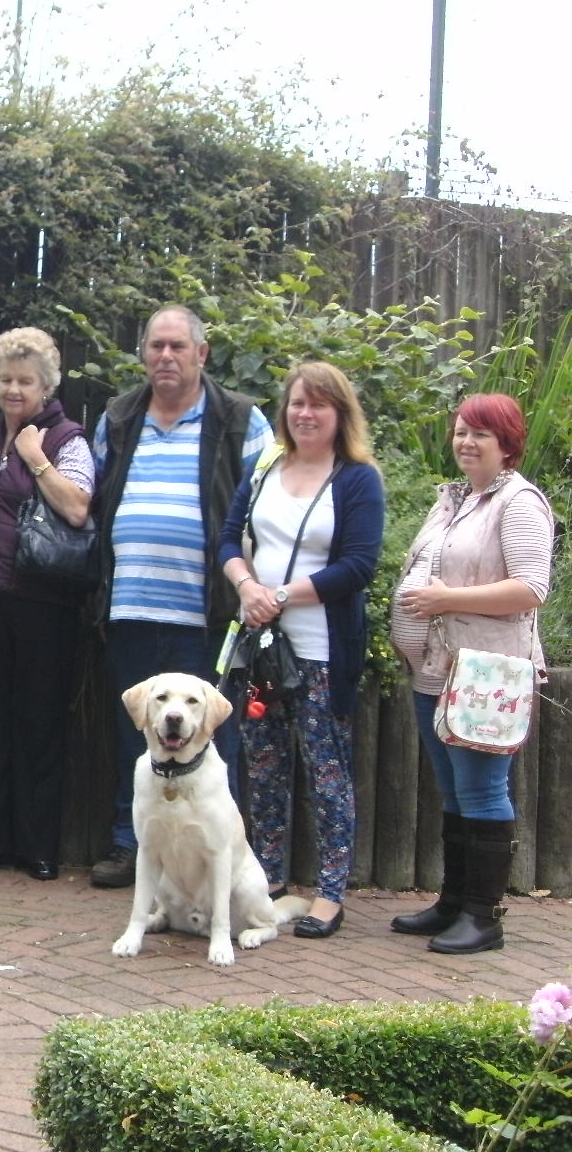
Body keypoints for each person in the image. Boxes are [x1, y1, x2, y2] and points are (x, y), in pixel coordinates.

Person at [89, 304, 274, 889]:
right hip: (130, 609)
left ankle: (222, 859)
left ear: (202, 353)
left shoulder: (244, 422)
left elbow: (270, 513)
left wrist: (251, 590)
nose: (165, 357)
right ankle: (131, 846)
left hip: (209, 613)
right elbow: (91, 503)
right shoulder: (117, 419)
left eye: (177, 347)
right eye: (155, 347)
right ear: (143, 355)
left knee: (215, 743)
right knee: (135, 740)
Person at [217, 361, 385, 938]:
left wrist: (281, 595)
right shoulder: (264, 467)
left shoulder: (358, 479)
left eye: (318, 404)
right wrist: (247, 587)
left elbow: (359, 566)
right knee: (262, 768)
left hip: (321, 652)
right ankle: (269, 879)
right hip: (262, 651)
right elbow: (226, 537)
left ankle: (331, 893)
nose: (305, 414)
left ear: (340, 415)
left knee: (327, 772)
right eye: (296, 404)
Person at [389, 393, 553, 955]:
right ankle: (454, 902)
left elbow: (531, 588)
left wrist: (444, 599)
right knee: (456, 792)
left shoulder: (519, 503)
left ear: (507, 444)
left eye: (479, 434)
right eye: (460, 432)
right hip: (435, 672)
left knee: (483, 793)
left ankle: (484, 917)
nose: (465, 442)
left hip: (486, 675)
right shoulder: (456, 499)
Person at [0, 327, 94, 880]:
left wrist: (36, 460)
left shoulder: (67, 440)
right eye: (6, 379)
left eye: (25, 381)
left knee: (38, 719)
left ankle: (38, 847)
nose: (13, 389)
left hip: (42, 599)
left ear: (46, 386)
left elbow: (78, 509)